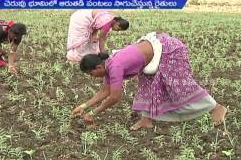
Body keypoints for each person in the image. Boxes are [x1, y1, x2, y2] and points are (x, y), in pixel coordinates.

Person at [71, 32, 227, 130]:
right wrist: (83, 106)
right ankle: (146, 120)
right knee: (147, 85)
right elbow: (105, 91)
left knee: (180, 85)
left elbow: (115, 97)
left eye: (91, 75)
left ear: (98, 68)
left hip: (169, 50)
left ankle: (216, 107)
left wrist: (93, 113)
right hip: (152, 54)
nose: (93, 78)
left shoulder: (115, 66)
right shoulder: (107, 65)